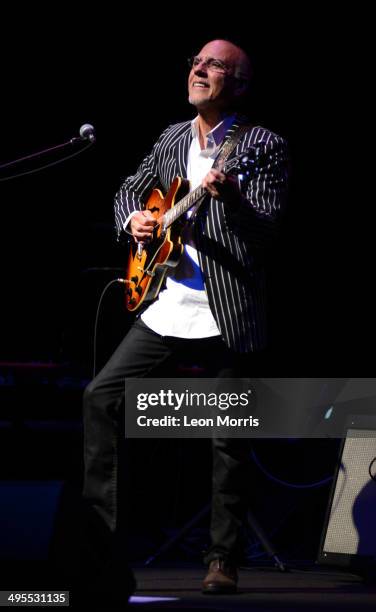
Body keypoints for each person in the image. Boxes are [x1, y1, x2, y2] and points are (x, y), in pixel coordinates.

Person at [82, 38, 289, 596]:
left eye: (214, 65)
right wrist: (135, 222)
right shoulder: (172, 137)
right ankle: (100, 543)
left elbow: (269, 230)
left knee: (227, 438)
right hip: (167, 301)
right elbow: (132, 186)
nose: (198, 69)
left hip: (226, 310)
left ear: (239, 84)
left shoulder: (261, 146)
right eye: (196, 62)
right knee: (101, 397)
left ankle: (222, 558)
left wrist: (234, 200)